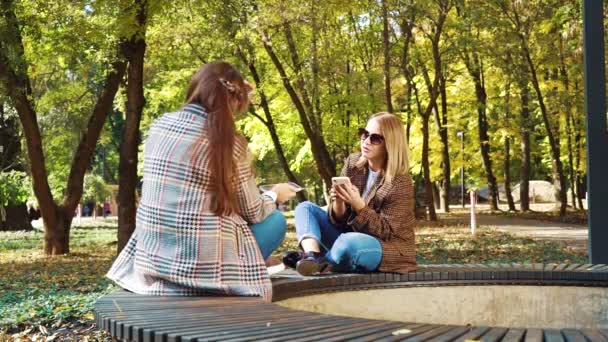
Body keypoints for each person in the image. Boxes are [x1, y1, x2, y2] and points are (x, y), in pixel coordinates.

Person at [107, 61, 295, 301]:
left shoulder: (159, 127)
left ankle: (255, 262)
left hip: (153, 264)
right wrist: (275, 195)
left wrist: (235, 90)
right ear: (234, 100)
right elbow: (254, 212)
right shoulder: (232, 146)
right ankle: (247, 269)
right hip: (205, 271)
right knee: (276, 220)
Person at [283, 112, 416, 276]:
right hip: (348, 235)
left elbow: (386, 232)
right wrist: (338, 203)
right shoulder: (354, 163)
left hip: (386, 247)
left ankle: (325, 262)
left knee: (349, 242)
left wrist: (358, 205)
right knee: (305, 208)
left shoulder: (400, 182)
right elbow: (340, 221)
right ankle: (312, 256)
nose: (366, 141)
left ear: (390, 144)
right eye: (364, 134)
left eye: (375, 138)